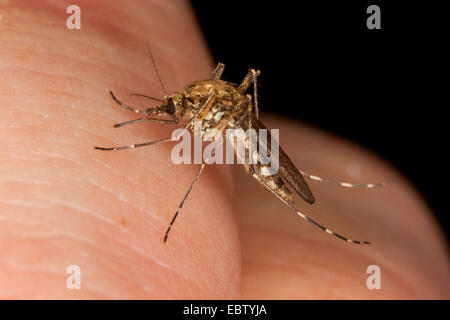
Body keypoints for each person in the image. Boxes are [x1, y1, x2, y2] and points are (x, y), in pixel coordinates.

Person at [0, 0, 448, 299]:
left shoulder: (201, 106)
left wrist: (249, 136)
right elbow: (188, 107)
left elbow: (205, 114)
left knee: (210, 154)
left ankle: (303, 193)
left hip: (237, 129)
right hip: (231, 119)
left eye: (173, 107)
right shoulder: (192, 98)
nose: (170, 110)